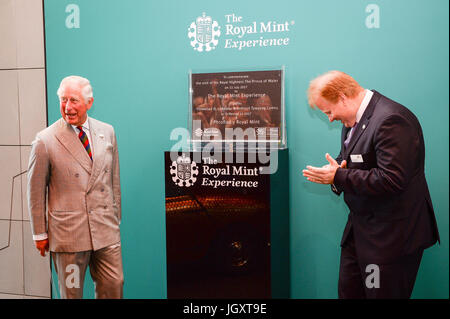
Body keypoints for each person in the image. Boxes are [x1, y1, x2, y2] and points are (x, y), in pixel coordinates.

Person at [302, 70, 439, 298]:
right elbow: (352, 161)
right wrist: (335, 170)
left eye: (329, 111)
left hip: (389, 240)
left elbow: (391, 179)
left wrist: (337, 177)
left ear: (343, 96)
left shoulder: (392, 119)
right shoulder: (353, 119)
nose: (330, 118)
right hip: (360, 233)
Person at [27, 75, 123, 299]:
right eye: (63, 100)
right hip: (68, 234)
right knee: (71, 294)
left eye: (74, 101)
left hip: (105, 229)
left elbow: (114, 179)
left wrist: (114, 215)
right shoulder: (45, 140)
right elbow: (35, 191)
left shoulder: (107, 131)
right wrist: (39, 233)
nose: (67, 107)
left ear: (89, 103)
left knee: (114, 286)